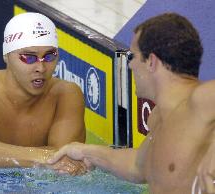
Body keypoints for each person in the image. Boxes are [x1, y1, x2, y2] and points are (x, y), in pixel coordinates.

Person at [48, 13, 215, 194]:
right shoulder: (160, 117)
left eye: (133, 57)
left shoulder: (199, 100)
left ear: (151, 62)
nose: (130, 65)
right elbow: (136, 167)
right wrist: (85, 151)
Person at [0, 12, 86, 174]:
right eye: (29, 58)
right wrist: (45, 156)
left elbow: (65, 162)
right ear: (6, 55)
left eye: (49, 56)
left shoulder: (66, 94)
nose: (41, 68)